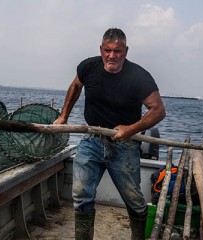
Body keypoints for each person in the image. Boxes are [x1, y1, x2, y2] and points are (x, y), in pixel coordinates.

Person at [53, 28, 166, 240]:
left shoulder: (139, 77)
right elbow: (76, 86)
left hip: (125, 145)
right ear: (101, 49)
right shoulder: (88, 67)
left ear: (126, 51)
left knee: (134, 200)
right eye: (107, 50)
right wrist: (63, 116)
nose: (112, 56)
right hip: (92, 140)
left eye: (118, 51)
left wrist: (129, 130)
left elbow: (158, 110)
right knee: (81, 195)